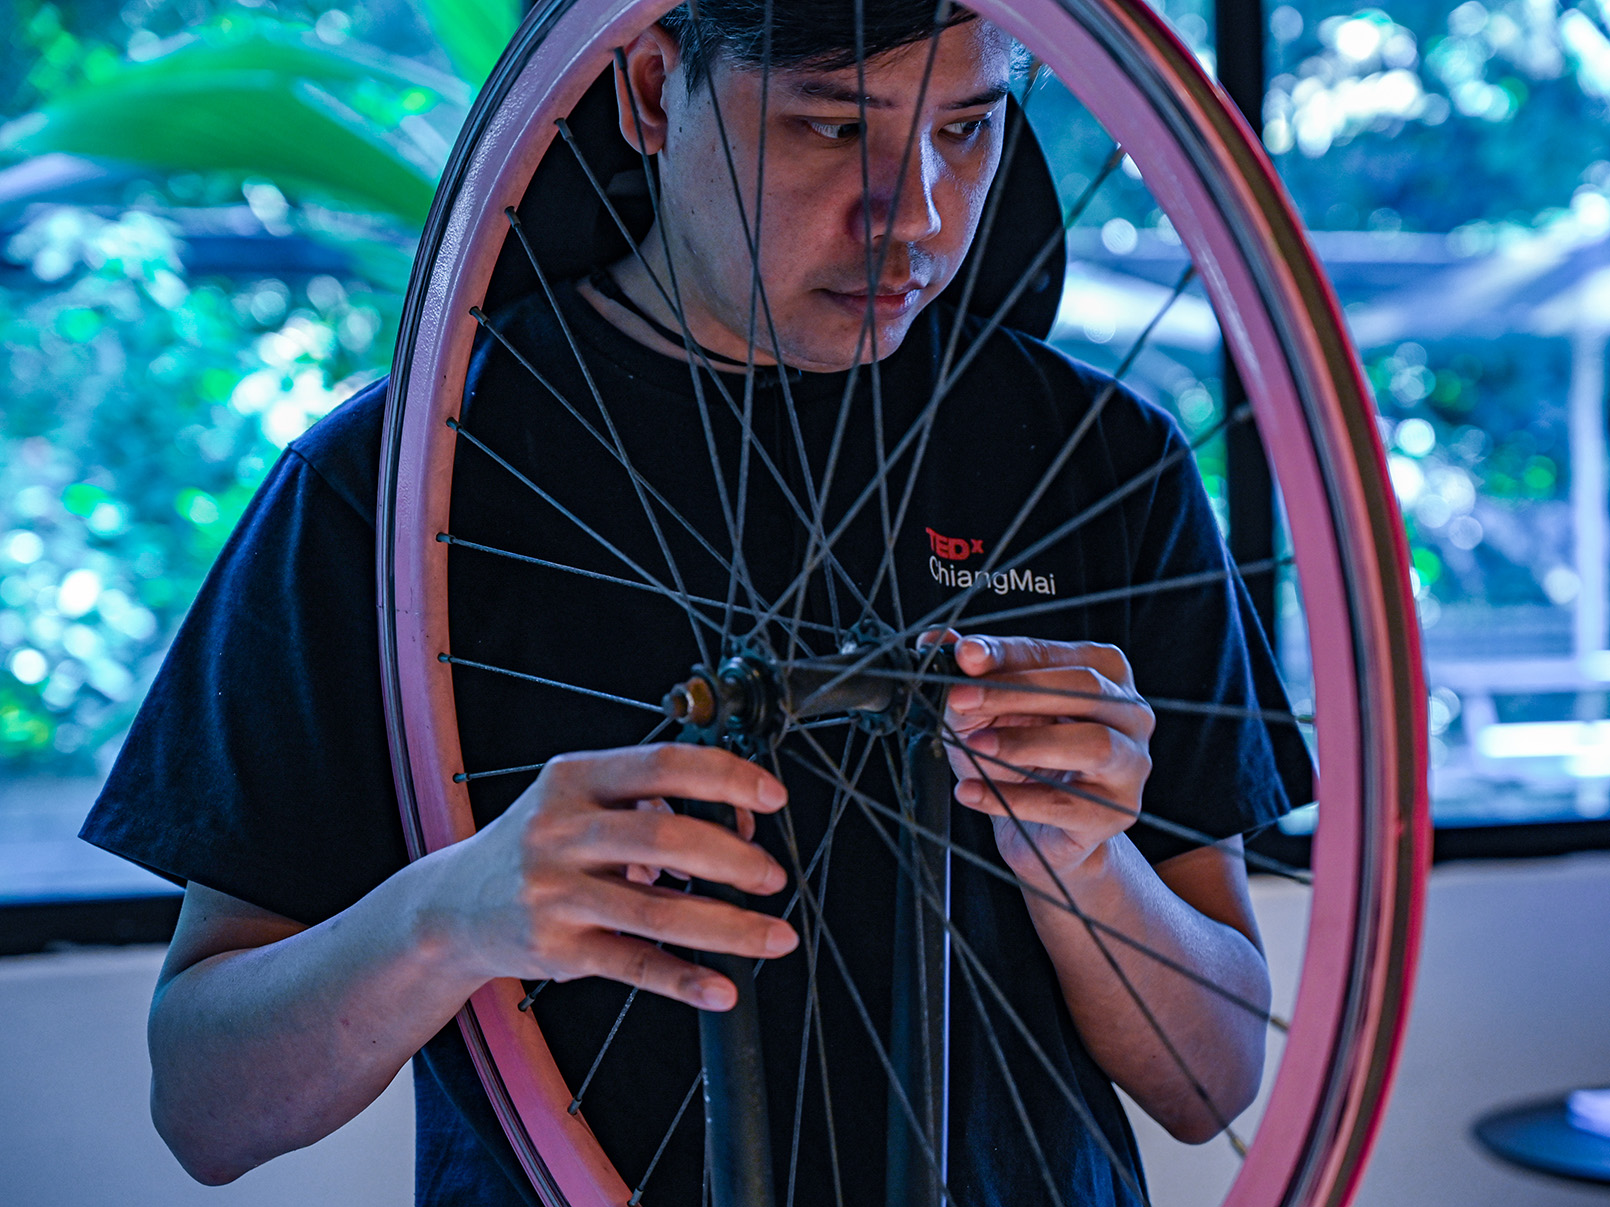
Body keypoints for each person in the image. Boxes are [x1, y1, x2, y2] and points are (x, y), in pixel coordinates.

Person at [82, 3, 1312, 1204]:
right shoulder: (399, 483)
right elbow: (206, 1107)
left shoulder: (1102, 461)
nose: (916, 218)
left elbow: (1210, 1083)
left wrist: (1085, 867)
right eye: (833, 128)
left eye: (967, 130)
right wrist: (449, 915)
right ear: (650, 87)